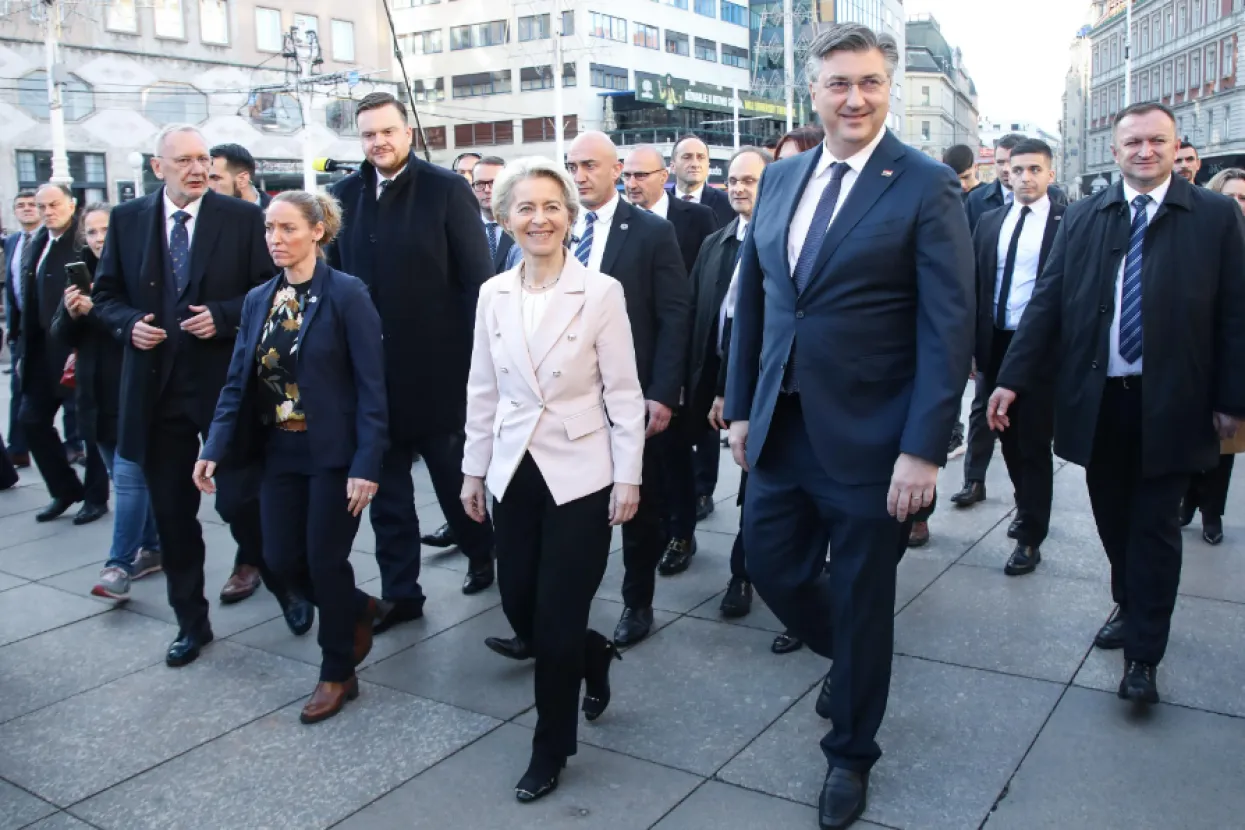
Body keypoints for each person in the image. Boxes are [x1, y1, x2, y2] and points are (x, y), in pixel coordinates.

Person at [725, 25, 973, 829]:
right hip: (781, 428)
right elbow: (758, 300)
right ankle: (858, 659)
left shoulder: (925, 183)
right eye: (838, 83)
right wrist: (737, 406)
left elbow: (947, 327)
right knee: (772, 567)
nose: (854, 98)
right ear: (814, 91)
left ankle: (849, 753)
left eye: (868, 82)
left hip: (875, 440)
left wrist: (923, 448)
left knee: (864, 600)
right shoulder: (783, 176)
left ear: (888, 87)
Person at [988, 102, 1245, 707]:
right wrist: (1010, 377)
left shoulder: (1212, 216)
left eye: (1158, 141)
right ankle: (1130, 604)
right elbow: (1047, 302)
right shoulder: (1085, 217)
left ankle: (1143, 658)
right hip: (1099, 402)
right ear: (1114, 149)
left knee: (1155, 526)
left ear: (1177, 147)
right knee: (1112, 519)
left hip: (1174, 404)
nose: (1145, 151)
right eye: (1133, 142)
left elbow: (1235, 313)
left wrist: (1232, 400)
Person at [461, 156, 645, 803]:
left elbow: (623, 395)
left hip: (581, 474)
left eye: (551, 207)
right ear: (504, 217)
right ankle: (590, 656)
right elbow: (481, 388)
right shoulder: (492, 294)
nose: (538, 219)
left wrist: (628, 479)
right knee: (520, 605)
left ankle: (550, 745)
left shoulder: (599, 292)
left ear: (569, 216)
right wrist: (472, 468)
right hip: (514, 470)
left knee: (558, 614)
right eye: (525, 207)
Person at [92, 123, 301, 668]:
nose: (197, 168)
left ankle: (285, 585)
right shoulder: (128, 220)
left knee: (240, 499)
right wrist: (128, 324)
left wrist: (226, 317)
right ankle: (191, 622)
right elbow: (106, 294)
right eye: (183, 159)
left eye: (203, 158)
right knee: (174, 514)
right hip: (157, 393)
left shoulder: (240, 218)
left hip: (225, 388)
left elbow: (275, 287)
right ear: (157, 167)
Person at [483, 132, 690, 655]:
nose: (580, 173)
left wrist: (662, 391)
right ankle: (555, 635)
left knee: (636, 510)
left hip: (627, 396)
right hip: (552, 410)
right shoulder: (534, 238)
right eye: (572, 164)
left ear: (616, 169)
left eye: (590, 165)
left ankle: (636, 602)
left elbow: (673, 314)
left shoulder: (650, 231)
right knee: (543, 549)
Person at [196, 191, 387, 724]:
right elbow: (238, 381)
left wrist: (367, 463)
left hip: (334, 454)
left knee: (325, 561)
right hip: (277, 450)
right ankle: (357, 607)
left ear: (317, 231)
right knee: (281, 559)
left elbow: (373, 387)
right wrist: (213, 446)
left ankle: (337, 672)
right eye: (269, 230)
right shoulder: (260, 298)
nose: (275, 240)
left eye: (287, 229)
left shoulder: (348, 295)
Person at [328, 92, 497, 634]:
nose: (378, 142)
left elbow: (477, 281)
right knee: (386, 495)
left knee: (454, 481)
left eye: (387, 131)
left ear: (408, 133)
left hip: (438, 372)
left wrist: (479, 366)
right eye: (368, 134)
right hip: (368, 377)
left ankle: (482, 551)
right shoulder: (344, 195)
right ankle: (402, 592)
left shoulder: (446, 190)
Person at [51, 204, 163, 600]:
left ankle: (118, 565)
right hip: (92, 396)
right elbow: (61, 335)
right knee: (124, 478)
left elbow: (142, 326)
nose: (99, 238)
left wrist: (96, 311)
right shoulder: (79, 274)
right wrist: (71, 311)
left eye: (105, 230)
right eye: (92, 232)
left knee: (130, 482)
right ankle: (152, 547)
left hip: (131, 392)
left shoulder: (137, 272)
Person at [970, 139, 1064, 576]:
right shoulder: (990, 222)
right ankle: (1024, 503)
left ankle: (1030, 533)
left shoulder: (1067, 222)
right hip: (996, 343)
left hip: (1043, 350)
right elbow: (976, 286)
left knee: (1033, 442)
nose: (1024, 177)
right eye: (1017, 169)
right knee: (1004, 433)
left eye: (1034, 170)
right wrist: (973, 349)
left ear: (1050, 174)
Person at [622, 144, 715, 576]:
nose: (633, 183)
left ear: (664, 175)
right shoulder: (618, 224)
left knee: (675, 454)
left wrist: (681, 373)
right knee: (644, 459)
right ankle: (652, 525)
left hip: (678, 356)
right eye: (628, 176)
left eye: (642, 175)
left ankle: (682, 532)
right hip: (630, 359)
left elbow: (701, 293)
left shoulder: (695, 219)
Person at [691, 145, 772, 618]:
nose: (739, 189)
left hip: (759, 388)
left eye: (751, 181)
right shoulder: (716, 241)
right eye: (735, 181)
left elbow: (756, 329)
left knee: (753, 488)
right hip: (713, 380)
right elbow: (703, 317)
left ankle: (744, 575)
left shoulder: (781, 241)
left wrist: (730, 390)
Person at [9, 183, 109, 525]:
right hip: (39, 349)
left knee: (88, 428)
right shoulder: (37, 242)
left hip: (78, 348)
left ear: (71, 204)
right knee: (31, 419)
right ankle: (65, 489)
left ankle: (96, 497)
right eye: (42, 205)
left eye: (54, 204)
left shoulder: (83, 243)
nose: (47, 211)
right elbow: (25, 299)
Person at [764, 124, 825, 657]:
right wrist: (738, 406)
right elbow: (750, 316)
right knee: (772, 558)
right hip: (779, 410)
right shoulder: (775, 200)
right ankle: (842, 641)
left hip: (856, 414)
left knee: (855, 562)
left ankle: (851, 664)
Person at [1180, 166, 1245, 544]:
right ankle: (1188, 500)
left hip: (1235, 361)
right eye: (1231, 197)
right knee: (1190, 438)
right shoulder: (1204, 237)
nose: (1237, 205)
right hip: (1199, 356)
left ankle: (1212, 513)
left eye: (1244, 198)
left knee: (1225, 445)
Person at [5, 190, 40, 469]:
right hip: (22, 332)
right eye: (21, 206)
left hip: (51, 329)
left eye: (32, 205)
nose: (27, 209)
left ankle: (74, 445)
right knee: (19, 390)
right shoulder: (13, 242)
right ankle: (17, 449)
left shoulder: (49, 240)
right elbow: (10, 286)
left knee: (68, 395)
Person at [671, 134, 735, 227]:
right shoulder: (660, 203)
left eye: (701, 157)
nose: (695, 164)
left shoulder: (729, 204)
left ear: (708, 165)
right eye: (687, 157)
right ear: (673, 166)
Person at [208, 143, 271, 208]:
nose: (208, 186)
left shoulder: (279, 213)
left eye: (215, 178)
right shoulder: (204, 214)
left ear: (242, 179)